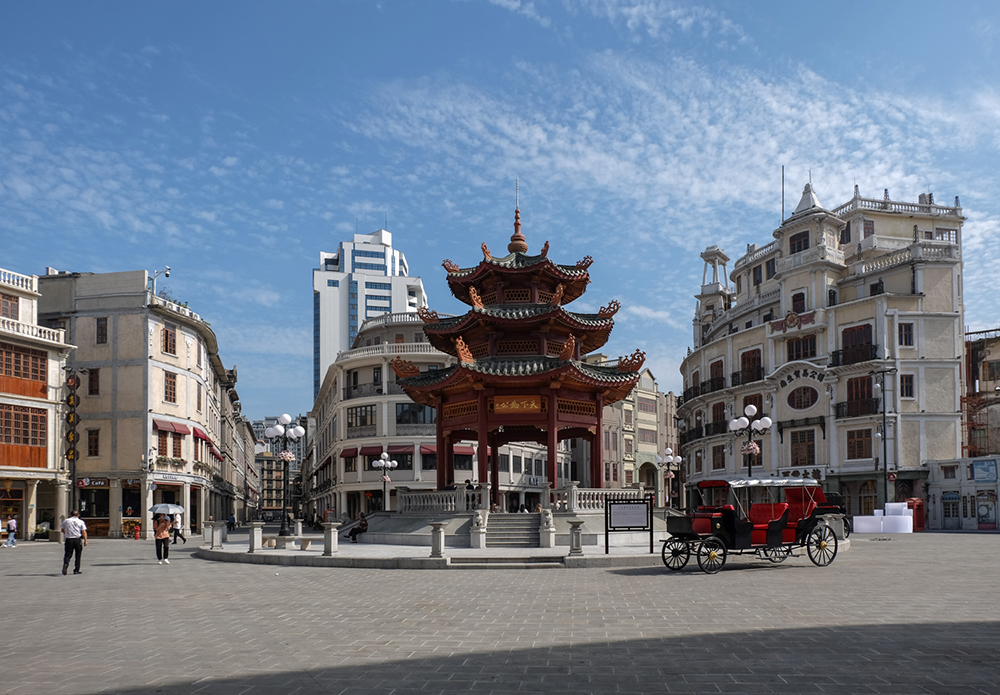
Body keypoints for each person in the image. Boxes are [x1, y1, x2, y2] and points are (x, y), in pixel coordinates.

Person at [61, 511, 88, 575]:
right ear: (78, 515)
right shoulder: (81, 522)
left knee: (68, 554)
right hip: (77, 539)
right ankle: (76, 569)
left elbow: (62, 529)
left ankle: (65, 564)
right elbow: (83, 531)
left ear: (70, 514)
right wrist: (85, 540)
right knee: (78, 554)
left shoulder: (66, 521)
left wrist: (66, 533)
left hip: (69, 539)